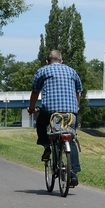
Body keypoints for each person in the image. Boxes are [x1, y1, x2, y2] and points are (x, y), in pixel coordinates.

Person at [28, 50, 83, 187]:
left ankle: (46, 145)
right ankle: (73, 173)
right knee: (71, 137)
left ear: (47, 61)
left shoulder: (42, 71)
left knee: (41, 124)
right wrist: (76, 106)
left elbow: (35, 92)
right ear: (61, 60)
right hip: (71, 111)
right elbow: (78, 91)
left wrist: (31, 108)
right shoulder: (72, 71)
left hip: (51, 110)